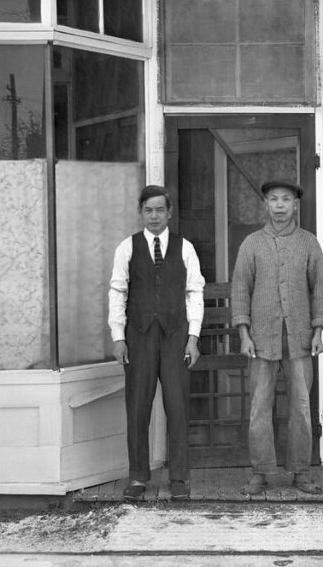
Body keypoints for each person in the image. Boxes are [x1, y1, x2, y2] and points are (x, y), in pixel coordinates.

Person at [231, 179, 323, 496]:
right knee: (260, 407)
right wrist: (244, 334)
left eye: (285, 199)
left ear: (295, 205)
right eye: (273, 199)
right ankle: (260, 472)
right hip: (261, 341)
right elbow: (240, 290)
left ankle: (301, 472)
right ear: (265, 204)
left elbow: (320, 289)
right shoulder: (251, 244)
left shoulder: (309, 243)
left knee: (301, 407)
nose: (279, 205)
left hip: (299, 341)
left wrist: (318, 332)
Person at [108, 184, 204, 501]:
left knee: (177, 406)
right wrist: (119, 337)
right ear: (140, 212)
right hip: (139, 337)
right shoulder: (128, 248)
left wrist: (193, 338)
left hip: (176, 336)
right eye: (148, 210)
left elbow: (194, 293)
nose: (154, 216)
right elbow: (117, 293)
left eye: (160, 210)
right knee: (138, 407)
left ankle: (179, 477)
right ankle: (138, 477)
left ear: (169, 212)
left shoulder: (185, 248)